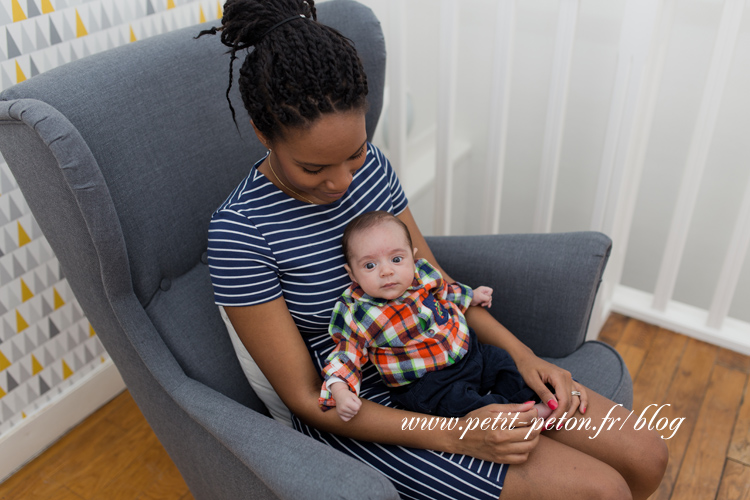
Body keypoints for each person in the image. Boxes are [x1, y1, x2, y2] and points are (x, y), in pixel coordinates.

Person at [203, 1, 668, 499]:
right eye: (314, 169)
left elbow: (437, 284)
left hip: (447, 357)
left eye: (354, 153)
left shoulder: (373, 170)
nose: (342, 181)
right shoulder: (239, 234)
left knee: (647, 456)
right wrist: (461, 436)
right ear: (261, 132)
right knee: (602, 491)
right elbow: (301, 397)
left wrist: (524, 355)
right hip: (360, 406)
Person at [320, 211, 554, 423]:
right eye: (370, 265)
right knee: (462, 405)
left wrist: (471, 295)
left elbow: (445, 292)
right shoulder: (357, 312)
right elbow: (346, 353)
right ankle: (522, 416)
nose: (387, 271)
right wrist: (340, 390)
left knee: (501, 361)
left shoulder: (422, 274)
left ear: (412, 257)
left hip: (468, 351)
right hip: (429, 384)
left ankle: (527, 400)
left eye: (397, 259)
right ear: (352, 273)